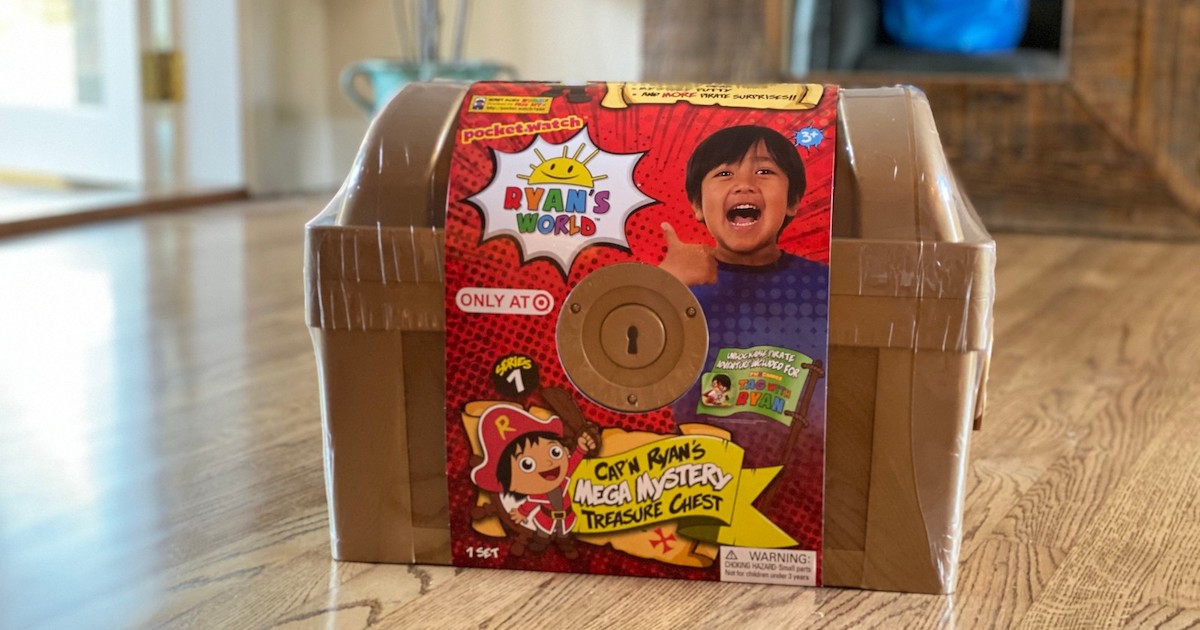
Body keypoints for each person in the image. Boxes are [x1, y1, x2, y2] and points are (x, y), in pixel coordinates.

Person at [660, 125, 829, 467]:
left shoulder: (821, 285)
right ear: (697, 205)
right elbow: (624, 372)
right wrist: (664, 284)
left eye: (764, 172)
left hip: (803, 477)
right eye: (724, 173)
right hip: (692, 474)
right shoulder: (674, 287)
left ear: (793, 200)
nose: (744, 184)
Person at [470, 403, 596, 558]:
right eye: (527, 464)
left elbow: (573, 463)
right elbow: (530, 503)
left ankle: (565, 545)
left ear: (564, 450)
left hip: (566, 516)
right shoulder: (538, 493)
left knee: (564, 534)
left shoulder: (564, 479)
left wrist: (581, 449)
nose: (548, 463)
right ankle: (541, 542)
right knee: (543, 533)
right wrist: (521, 512)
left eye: (554, 452)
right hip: (546, 518)